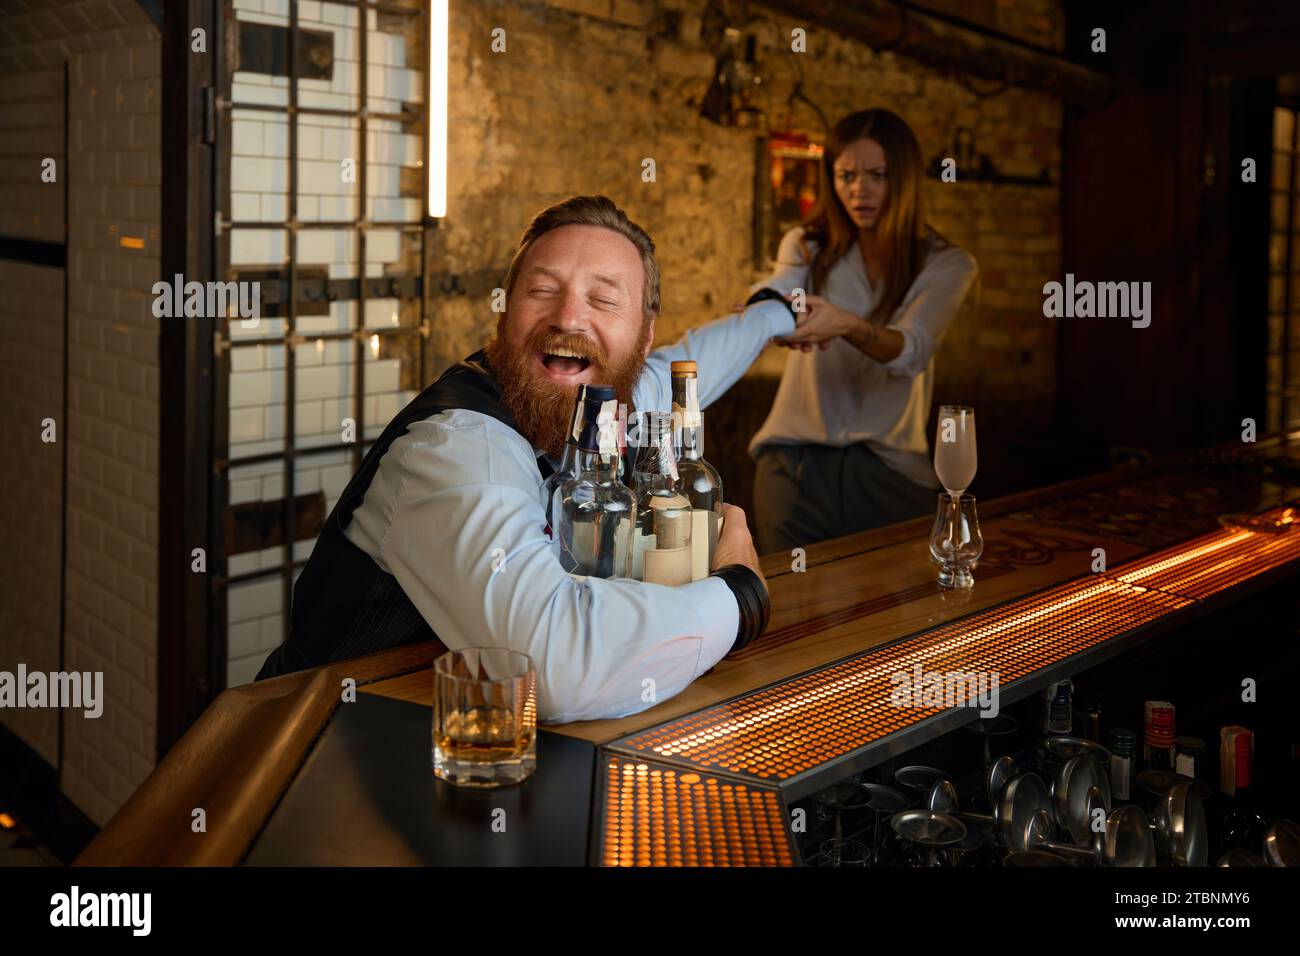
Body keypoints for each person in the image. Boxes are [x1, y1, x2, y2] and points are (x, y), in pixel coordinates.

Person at [256, 195, 798, 723]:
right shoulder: (456, 448)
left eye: (604, 300)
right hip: (315, 746)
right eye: (542, 290)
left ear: (643, 333)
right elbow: (558, 671)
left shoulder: (611, 396)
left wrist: (779, 312)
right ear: (505, 311)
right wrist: (738, 591)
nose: (568, 316)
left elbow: (697, 360)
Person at [748, 109, 979, 555]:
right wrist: (767, 307)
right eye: (846, 175)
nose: (860, 190)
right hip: (794, 468)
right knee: (796, 614)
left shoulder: (946, 263)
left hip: (890, 476)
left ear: (906, 179)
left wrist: (846, 324)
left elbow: (910, 351)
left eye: (877, 175)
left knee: (900, 615)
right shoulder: (805, 245)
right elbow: (781, 290)